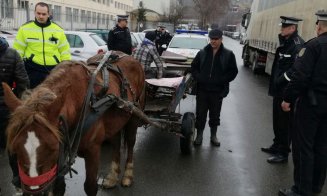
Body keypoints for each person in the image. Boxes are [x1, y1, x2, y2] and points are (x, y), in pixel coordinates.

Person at [279, 11, 327, 196]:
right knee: (322, 148)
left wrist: (287, 99)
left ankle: (301, 190)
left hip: (311, 105)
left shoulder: (314, 46)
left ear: (320, 27)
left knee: (303, 147)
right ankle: (316, 188)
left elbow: (300, 77)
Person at [261, 16, 304, 164]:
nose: (281, 29)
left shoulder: (297, 45)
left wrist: (281, 79)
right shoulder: (285, 42)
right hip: (278, 90)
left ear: (292, 28)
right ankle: (276, 145)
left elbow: (296, 69)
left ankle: (283, 153)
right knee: (277, 121)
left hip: (287, 91)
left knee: (285, 123)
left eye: (284, 27)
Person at [191, 29, 238, 146]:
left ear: (221, 39)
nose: (213, 41)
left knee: (215, 114)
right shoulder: (202, 53)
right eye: (212, 39)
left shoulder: (228, 54)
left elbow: (233, 71)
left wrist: (222, 80)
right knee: (200, 114)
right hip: (202, 90)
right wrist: (199, 77)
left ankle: (213, 136)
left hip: (217, 91)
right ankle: (199, 135)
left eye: (216, 39)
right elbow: (194, 67)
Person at [13, 1, 71, 89]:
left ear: (49, 14)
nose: (41, 16)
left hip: (53, 71)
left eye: (44, 14)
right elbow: (18, 51)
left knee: (52, 99)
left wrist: (65, 68)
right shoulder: (24, 29)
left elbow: (65, 51)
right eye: (38, 13)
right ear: (34, 13)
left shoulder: (58, 30)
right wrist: (18, 70)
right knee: (30, 98)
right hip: (32, 70)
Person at [0, 37, 29, 193]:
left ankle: (19, 183)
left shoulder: (12, 55)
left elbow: (23, 82)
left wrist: (17, 107)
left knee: (12, 149)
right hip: (7, 109)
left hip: (6, 110)